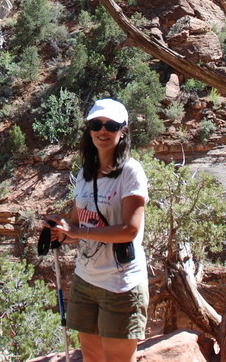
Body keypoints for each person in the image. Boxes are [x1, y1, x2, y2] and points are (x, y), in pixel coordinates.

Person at [44, 98, 149, 362]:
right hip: (86, 279)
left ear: (122, 130)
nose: (103, 130)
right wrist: (61, 230)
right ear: (89, 129)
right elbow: (77, 225)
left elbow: (129, 230)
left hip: (120, 284)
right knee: (91, 356)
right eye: (96, 124)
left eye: (111, 125)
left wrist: (79, 233)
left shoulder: (131, 173)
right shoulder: (85, 174)